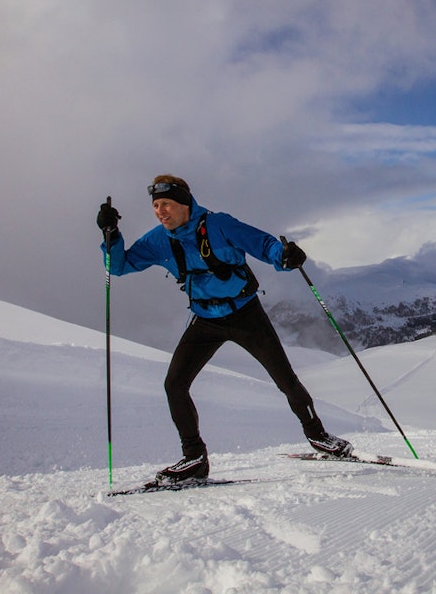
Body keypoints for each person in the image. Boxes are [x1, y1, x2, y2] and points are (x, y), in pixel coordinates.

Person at [97, 175, 352, 484]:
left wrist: (284, 257)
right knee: (174, 384)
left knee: (285, 379)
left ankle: (318, 436)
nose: (160, 212)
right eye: (155, 206)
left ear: (184, 203)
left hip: (245, 314)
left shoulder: (219, 224)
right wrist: (111, 235)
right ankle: (194, 458)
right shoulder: (158, 239)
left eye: (166, 204)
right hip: (205, 319)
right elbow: (119, 266)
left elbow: (262, 244)